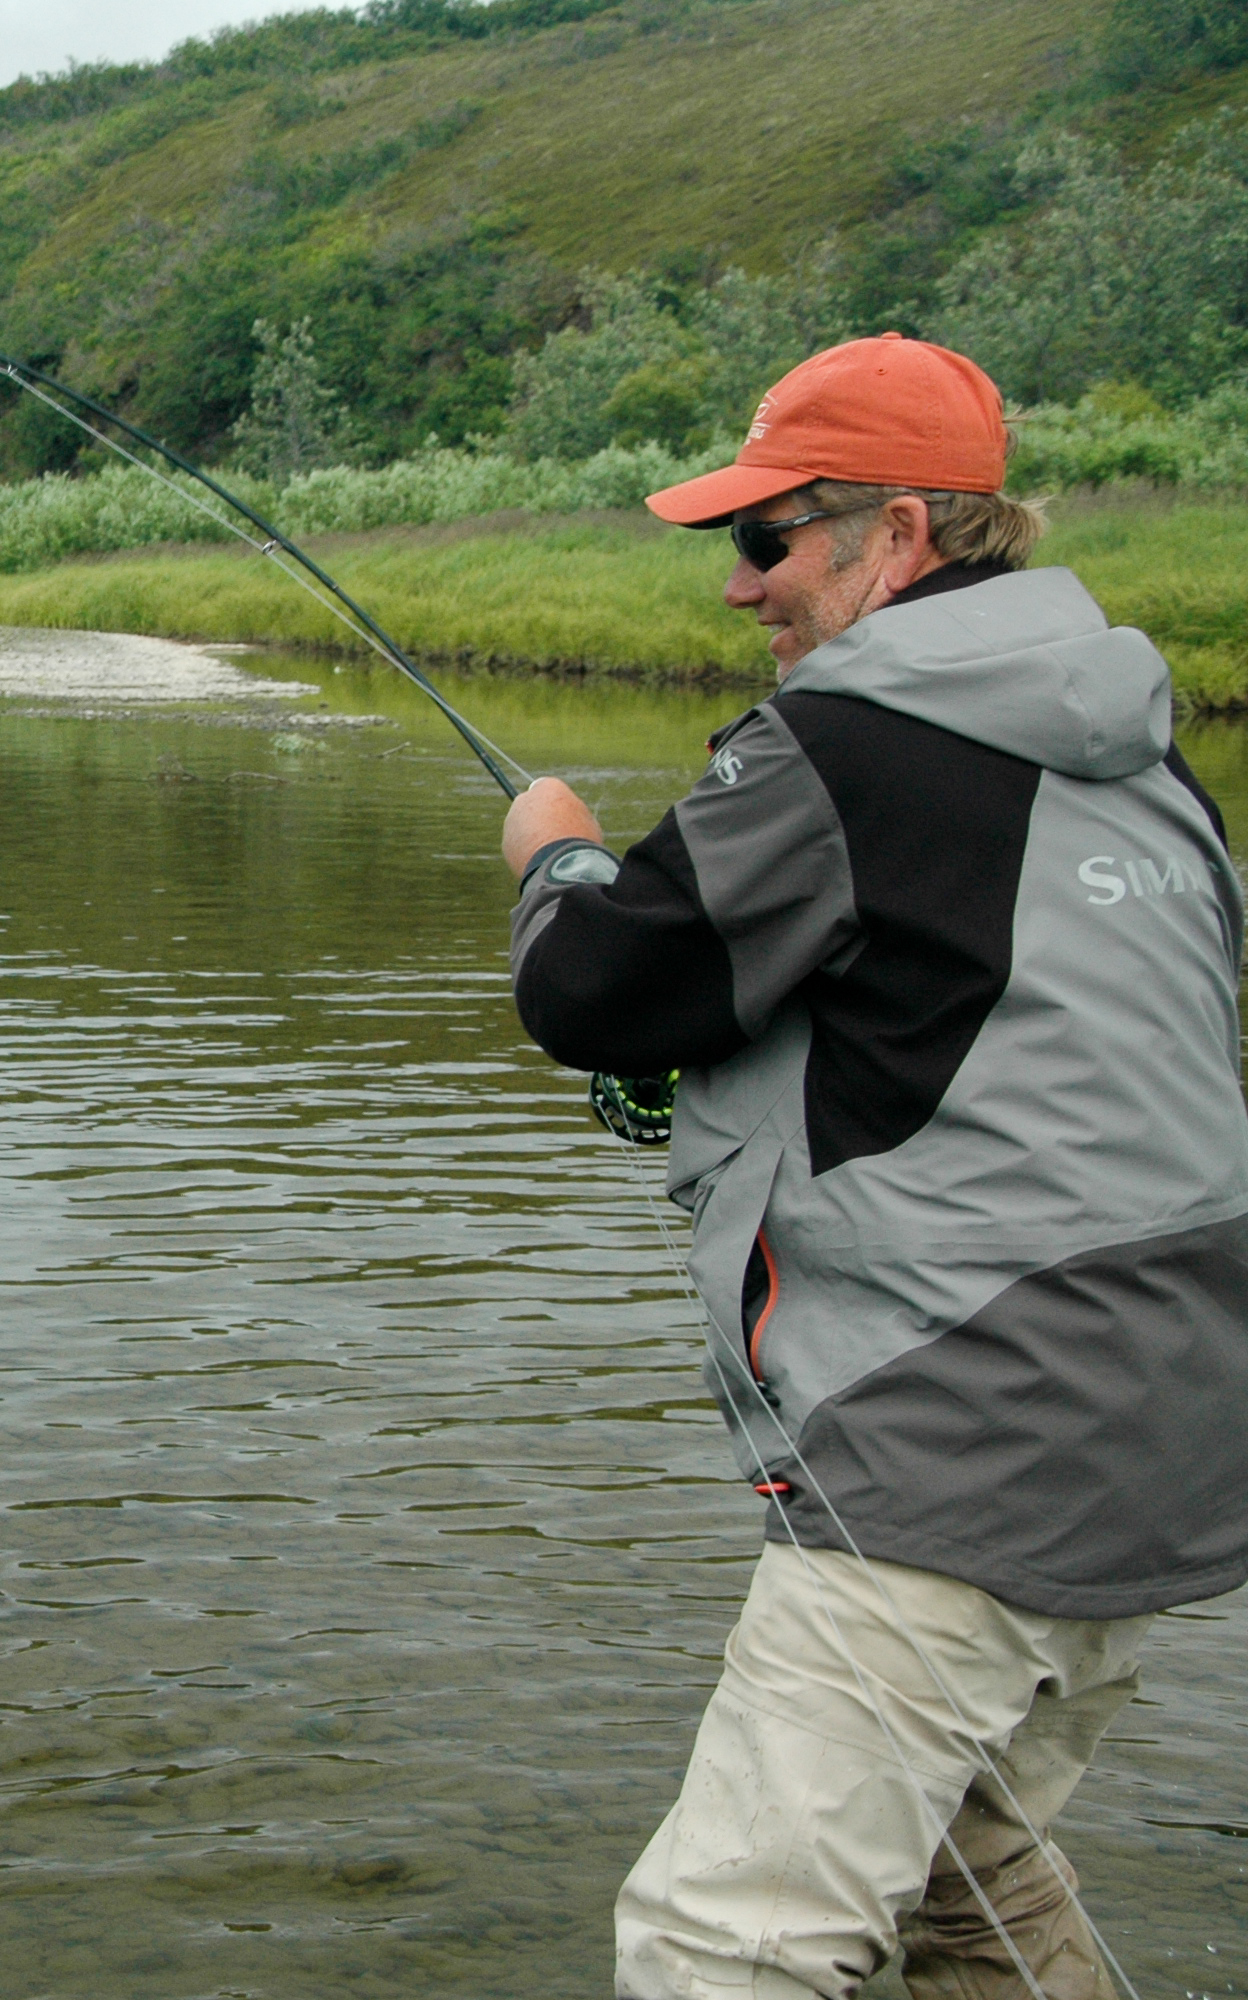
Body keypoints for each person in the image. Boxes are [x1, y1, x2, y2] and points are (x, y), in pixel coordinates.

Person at [500, 336, 1247, 1997]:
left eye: (765, 540)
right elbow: (953, 1026)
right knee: (955, 1893)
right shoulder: (1152, 774)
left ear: (896, 537)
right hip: (1173, 1441)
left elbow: (591, 986)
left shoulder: (839, 749)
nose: (737, 589)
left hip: (954, 1446)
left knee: (722, 1947)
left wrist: (550, 851)